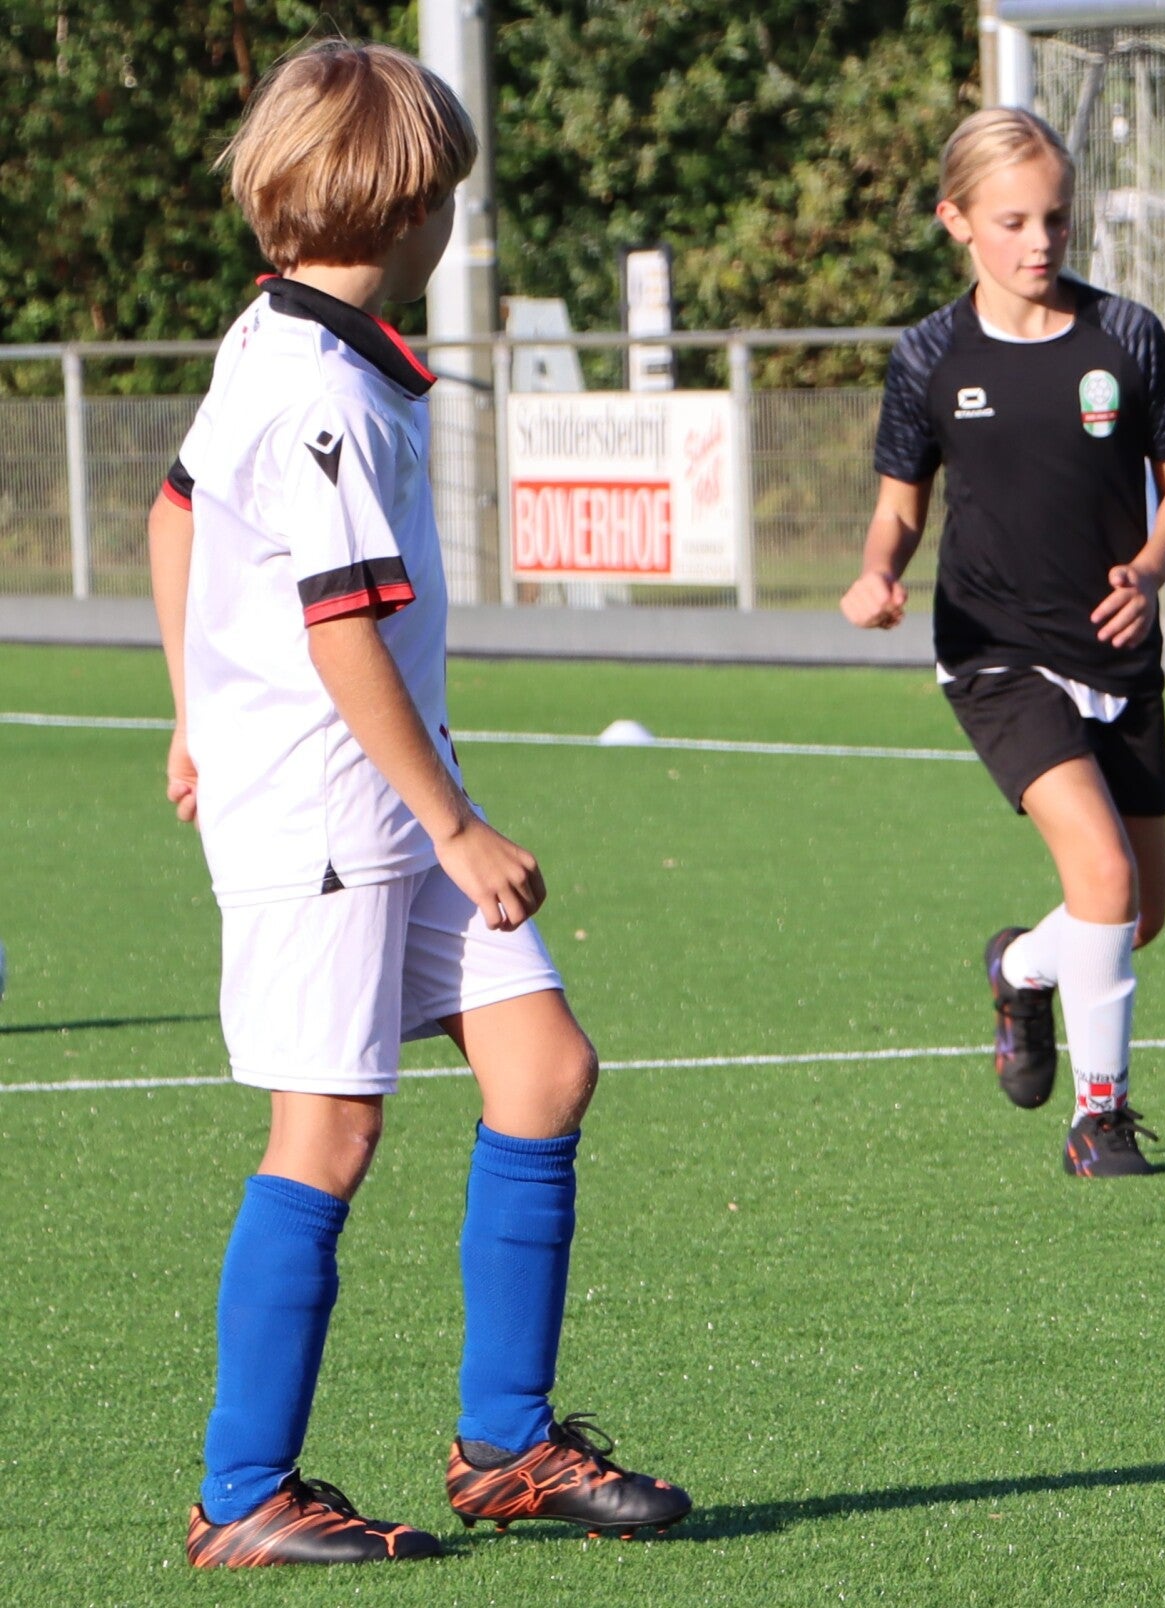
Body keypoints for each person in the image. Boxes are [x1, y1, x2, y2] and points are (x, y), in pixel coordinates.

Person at [147, 40, 690, 1567]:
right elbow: (340, 634)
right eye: (447, 191)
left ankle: (505, 1445)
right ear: (410, 212)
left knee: (542, 1073)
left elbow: (173, 516)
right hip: (336, 813)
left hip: (377, 794)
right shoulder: (319, 390)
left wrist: (193, 708)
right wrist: (450, 822)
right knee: (325, 1131)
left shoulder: (275, 335)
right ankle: (242, 1494)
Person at [840, 108, 1165, 1172]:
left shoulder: (1125, 335)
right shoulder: (929, 354)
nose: (1038, 242)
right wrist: (876, 572)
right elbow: (899, 504)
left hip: (1116, 651)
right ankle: (1100, 1118)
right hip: (993, 648)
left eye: (1054, 219)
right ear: (955, 220)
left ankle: (1020, 970)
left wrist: (1149, 572)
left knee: (1135, 913)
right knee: (1100, 871)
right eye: (1011, 222)